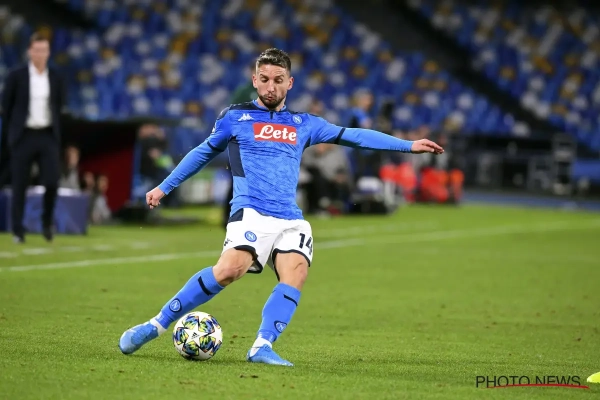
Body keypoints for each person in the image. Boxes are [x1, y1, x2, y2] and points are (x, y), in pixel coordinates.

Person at [118, 48, 443, 366]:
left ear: (290, 83)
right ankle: (155, 325)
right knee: (230, 270)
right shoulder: (235, 117)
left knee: (296, 272)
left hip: (290, 217)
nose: (270, 86)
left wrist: (408, 145)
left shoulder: (305, 123)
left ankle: (262, 346)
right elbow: (202, 152)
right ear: (254, 81)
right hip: (251, 210)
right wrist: (164, 187)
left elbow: (354, 135)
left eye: (278, 80)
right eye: (264, 79)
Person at [1, 33, 66, 243]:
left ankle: (46, 222)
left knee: (52, 181)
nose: (40, 54)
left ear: (48, 52)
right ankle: (18, 230)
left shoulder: (55, 77)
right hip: (24, 135)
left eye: (43, 50)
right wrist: (11, 136)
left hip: (47, 135)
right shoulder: (16, 76)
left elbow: (59, 105)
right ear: (30, 51)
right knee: (19, 184)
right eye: (36, 50)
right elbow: (7, 106)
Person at [222, 63, 257, 229]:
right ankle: (228, 217)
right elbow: (232, 115)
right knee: (238, 182)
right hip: (242, 144)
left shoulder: (268, 91)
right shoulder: (244, 91)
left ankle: (250, 217)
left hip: (259, 145)